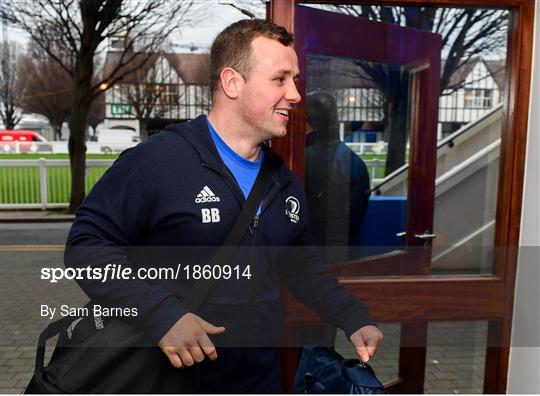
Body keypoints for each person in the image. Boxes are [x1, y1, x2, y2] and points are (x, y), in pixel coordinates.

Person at [65, 20, 382, 393]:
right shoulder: (158, 161)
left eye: (294, 80)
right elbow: (86, 246)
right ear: (232, 82)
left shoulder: (284, 183)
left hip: (258, 380)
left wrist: (352, 316)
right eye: (280, 79)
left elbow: (303, 267)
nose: (295, 94)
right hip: (165, 380)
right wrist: (161, 314)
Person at [305, 91, 371, 263]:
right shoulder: (356, 161)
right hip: (349, 259)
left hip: (312, 264)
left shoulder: (304, 161)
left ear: (306, 123)